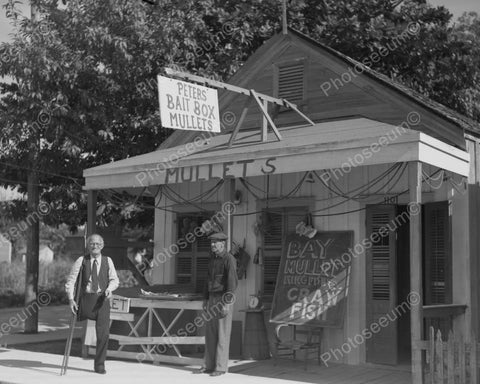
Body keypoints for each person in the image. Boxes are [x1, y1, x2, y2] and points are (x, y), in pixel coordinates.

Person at [65, 234, 119, 374]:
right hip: (85, 300)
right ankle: (65, 359)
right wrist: (71, 299)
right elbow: (71, 281)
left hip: (102, 300)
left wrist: (109, 289)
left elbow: (115, 280)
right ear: (88, 246)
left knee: (103, 334)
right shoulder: (81, 260)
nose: (94, 246)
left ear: (102, 245)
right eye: (92, 244)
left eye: (97, 244)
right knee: (72, 327)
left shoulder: (108, 261)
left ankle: (99, 365)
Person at [194, 232, 238, 377]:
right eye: (211, 242)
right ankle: (208, 365)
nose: (212, 245)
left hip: (223, 299)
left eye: (215, 242)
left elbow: (232, 283)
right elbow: (207, 280)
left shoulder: (229, 259)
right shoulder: (212, 260)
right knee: (210, 333)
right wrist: (205, 299)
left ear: (223, 244)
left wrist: (226, 303)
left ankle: (220, 367)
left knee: (222, 333)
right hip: (212, 298)